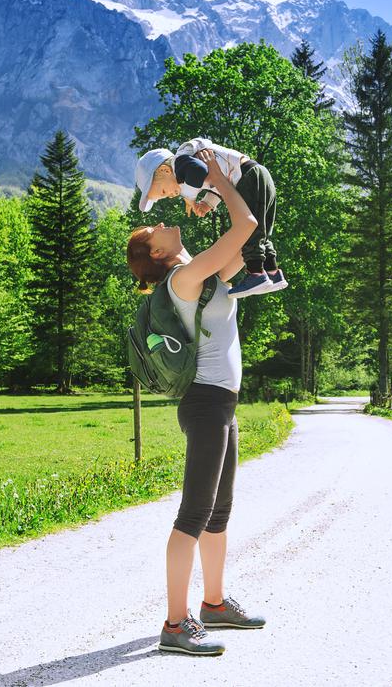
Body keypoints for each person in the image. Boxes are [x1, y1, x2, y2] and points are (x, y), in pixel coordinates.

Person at [126, 148, 268, 656]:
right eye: (153, 233)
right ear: (158, 255)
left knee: (219, 511)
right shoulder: (183, 280)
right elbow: (246, 222)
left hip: (221, 406)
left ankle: (212, 604)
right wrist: (215, 179)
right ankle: (174, 623)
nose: (162, 223)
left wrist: (211, 193)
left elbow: (244, 242)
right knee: (193, 514)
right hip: (207, 406)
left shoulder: (202, 275)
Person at [134, 138, 286, 297]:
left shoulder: (180, 163)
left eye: (163, 192)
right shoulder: (185, 165)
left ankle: (256, 274)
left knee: (253, 235)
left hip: (248, 178)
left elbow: (201, 172)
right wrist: (207, 203)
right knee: (262, 233)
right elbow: (216, 181)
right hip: (256, 176)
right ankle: (273, 272)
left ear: (164, 171)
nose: (170, 197)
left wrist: (190, 197)